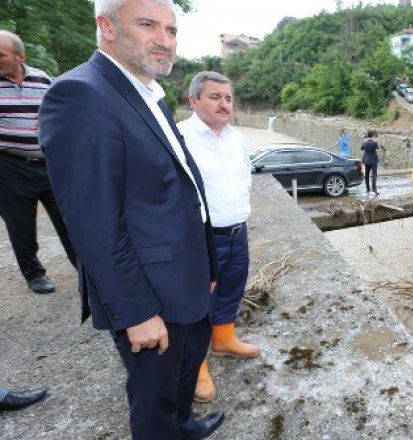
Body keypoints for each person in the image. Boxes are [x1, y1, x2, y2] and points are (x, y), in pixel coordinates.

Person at [38, 0, 224, 438]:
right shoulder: (80, 94)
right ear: (106, 26)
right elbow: (92, 222)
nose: (165, 40)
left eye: (172, 30)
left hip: (185, 277)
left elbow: (181, 189)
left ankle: (184, 424)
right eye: (148, 25)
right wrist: (136, 311)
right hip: (148, 289)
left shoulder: (145, 90)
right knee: (153, 397)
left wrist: (208, 266)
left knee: (183, 372)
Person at [178, 71, 260, 404]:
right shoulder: (179, 136)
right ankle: (195, 364)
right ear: (194, 99)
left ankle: (224, 340)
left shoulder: (236, 137)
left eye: (228, 98)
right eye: (215, 97)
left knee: (231, 288)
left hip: (237, 229)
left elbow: (245, 175)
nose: (224, 104)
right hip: (201, 235)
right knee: (198, 301)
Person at [0, 30, 77, 294]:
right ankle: (34, 274)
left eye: (1, 54)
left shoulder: (44, 79)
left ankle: (85, 268)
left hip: (50, 163)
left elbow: (65, 112)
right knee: (20, 224)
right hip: (10, 165)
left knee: (69, 219)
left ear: (21, 56)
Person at [361, 129, 381, 195]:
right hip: (374, 160)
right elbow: (378, 148)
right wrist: (377, 141)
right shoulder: (375, 143)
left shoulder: (365, 142)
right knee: (374, 175)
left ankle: (367, 188)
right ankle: (374, 189)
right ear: (372, 135)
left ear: (367, 135)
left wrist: (364, 140)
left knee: (366, 175)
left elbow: (361, 148)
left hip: (366, 160)